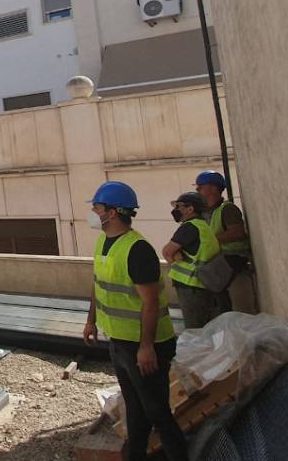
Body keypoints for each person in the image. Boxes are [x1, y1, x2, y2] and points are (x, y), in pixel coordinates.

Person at [82, 182, 188, 461]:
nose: (93, 212)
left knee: (157, 412)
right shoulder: (104, 243)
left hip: (145, 346)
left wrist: (146, 346)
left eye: (97, 207)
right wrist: (91, 320)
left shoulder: (137, 249)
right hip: (119, 342)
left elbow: (150, 302)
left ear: (113, 212)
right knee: (135, 406)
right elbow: (98, 284)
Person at [162, 192, 229, 329]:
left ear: (190, 209)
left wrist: (174, 256)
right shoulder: (203, 226)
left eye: (179, 206)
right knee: (206, 328)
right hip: (203, 284)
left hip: (191, 286)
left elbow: (167, 252)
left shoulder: (189, 227)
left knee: (195, 330)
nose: (175, 210)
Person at [194, 170, 255, 312]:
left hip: (234, 255)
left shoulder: (227, 209)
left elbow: (237, 232)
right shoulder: (209, 212)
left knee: (212, 280)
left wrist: (211, 240)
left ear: (214, 188)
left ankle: (223, 317)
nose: (197, 191)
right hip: (221, 256)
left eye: (200, 187)